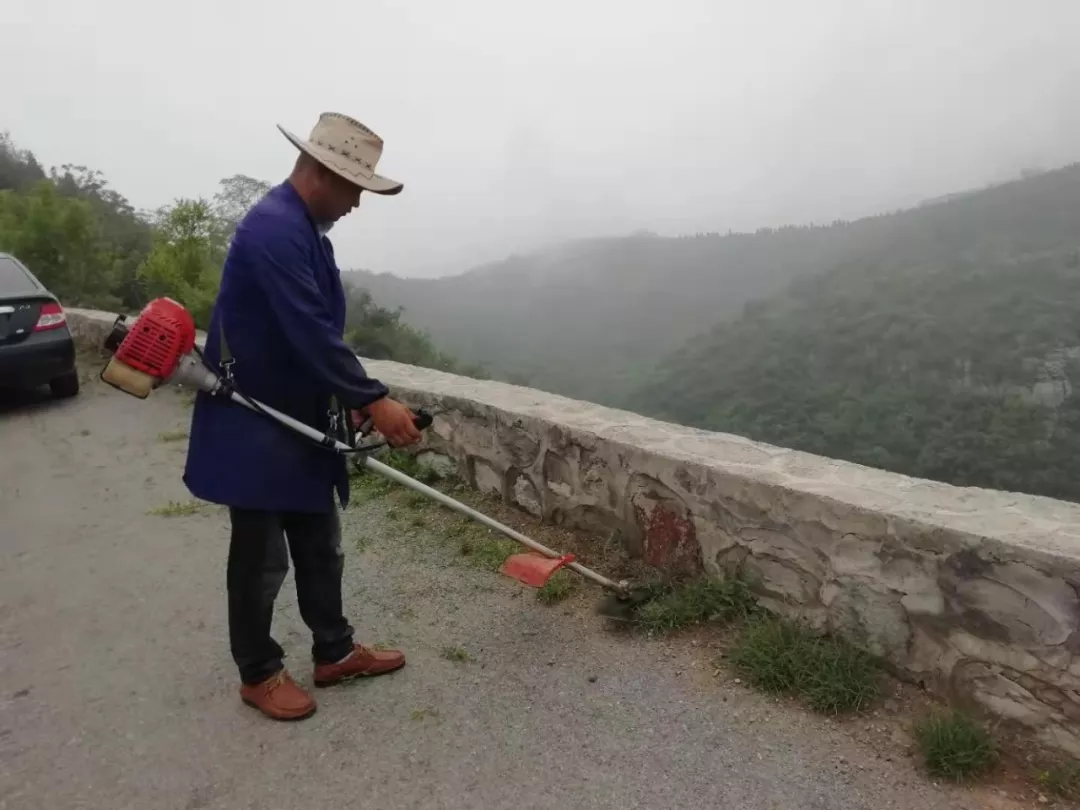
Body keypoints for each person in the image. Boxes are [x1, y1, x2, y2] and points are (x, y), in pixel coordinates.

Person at [184, 112, 422, 721]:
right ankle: (258, 672)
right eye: (352, 190)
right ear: (319, 173)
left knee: (320, 543)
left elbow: (313, 334)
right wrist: (372, 396)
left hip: (298, 415)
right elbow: (310, 332)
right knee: (260, 556)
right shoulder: (273, 231)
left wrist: (345, 394)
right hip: (255, 417)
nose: (355, 205)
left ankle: (335, 651)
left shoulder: (308, 231)